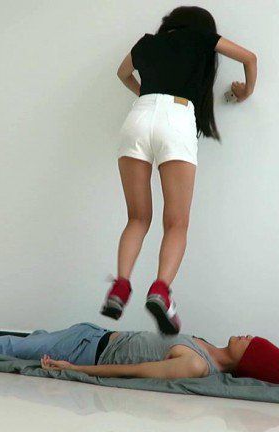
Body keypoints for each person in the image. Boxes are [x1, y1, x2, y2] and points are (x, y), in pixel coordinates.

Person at [102, 6, 258, 334]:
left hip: (138, 116)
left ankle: (121, 286)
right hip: (177, 117)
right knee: (176, 222)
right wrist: (245, 91)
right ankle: (161, 290)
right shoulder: (201, 37)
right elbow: (250, 58)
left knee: (137, 218)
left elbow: (122, 73)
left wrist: (146, 96)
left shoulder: (146, 43)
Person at [0, 317, 279, 383]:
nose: (245, 335)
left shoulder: (196, 365)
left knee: (18, 349)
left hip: (88, 352)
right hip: (95, 335)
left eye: (251, 342)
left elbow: (134, 373)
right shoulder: (205, 347)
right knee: (35, 337)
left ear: (248, 360)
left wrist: (73, 369)